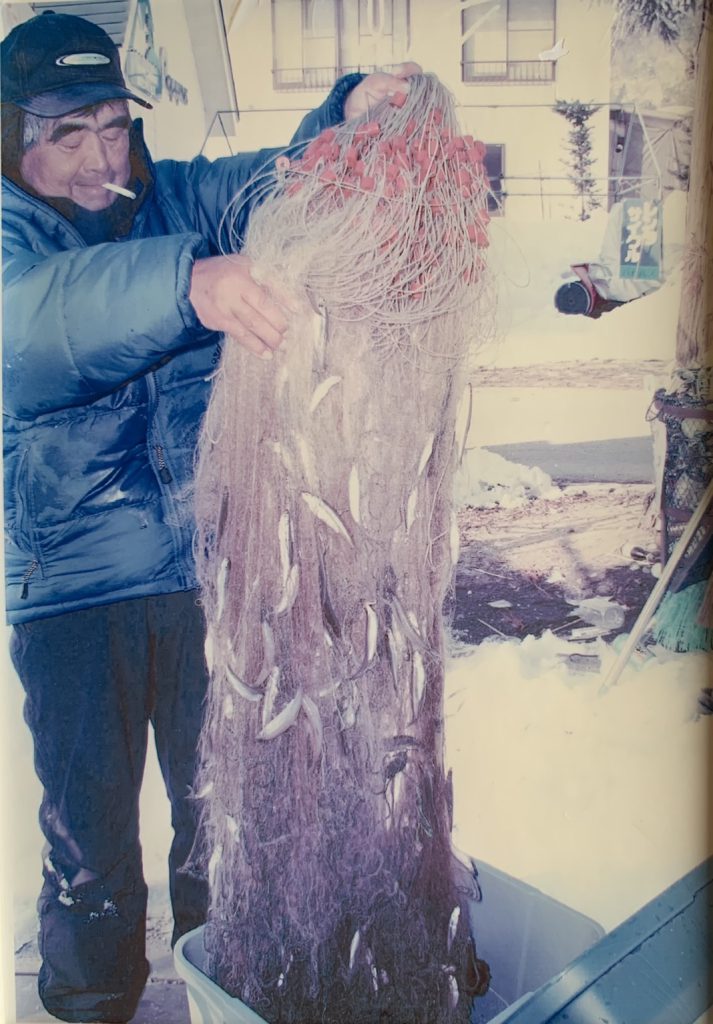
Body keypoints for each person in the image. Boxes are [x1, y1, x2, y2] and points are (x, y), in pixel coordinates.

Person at [1, 11, 418, 1023]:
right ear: (15, 139)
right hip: (72, 591)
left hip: (205, 576)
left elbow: (270, 180)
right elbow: (39, 326)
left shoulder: (175, 194)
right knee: (90, 839)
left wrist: (342, 114)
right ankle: (91, 1000)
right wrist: (188, 283)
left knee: (220, 820)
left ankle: (222, 990)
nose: (102, 156)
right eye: (68, 133)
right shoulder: (12, 238)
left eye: (112, 126)